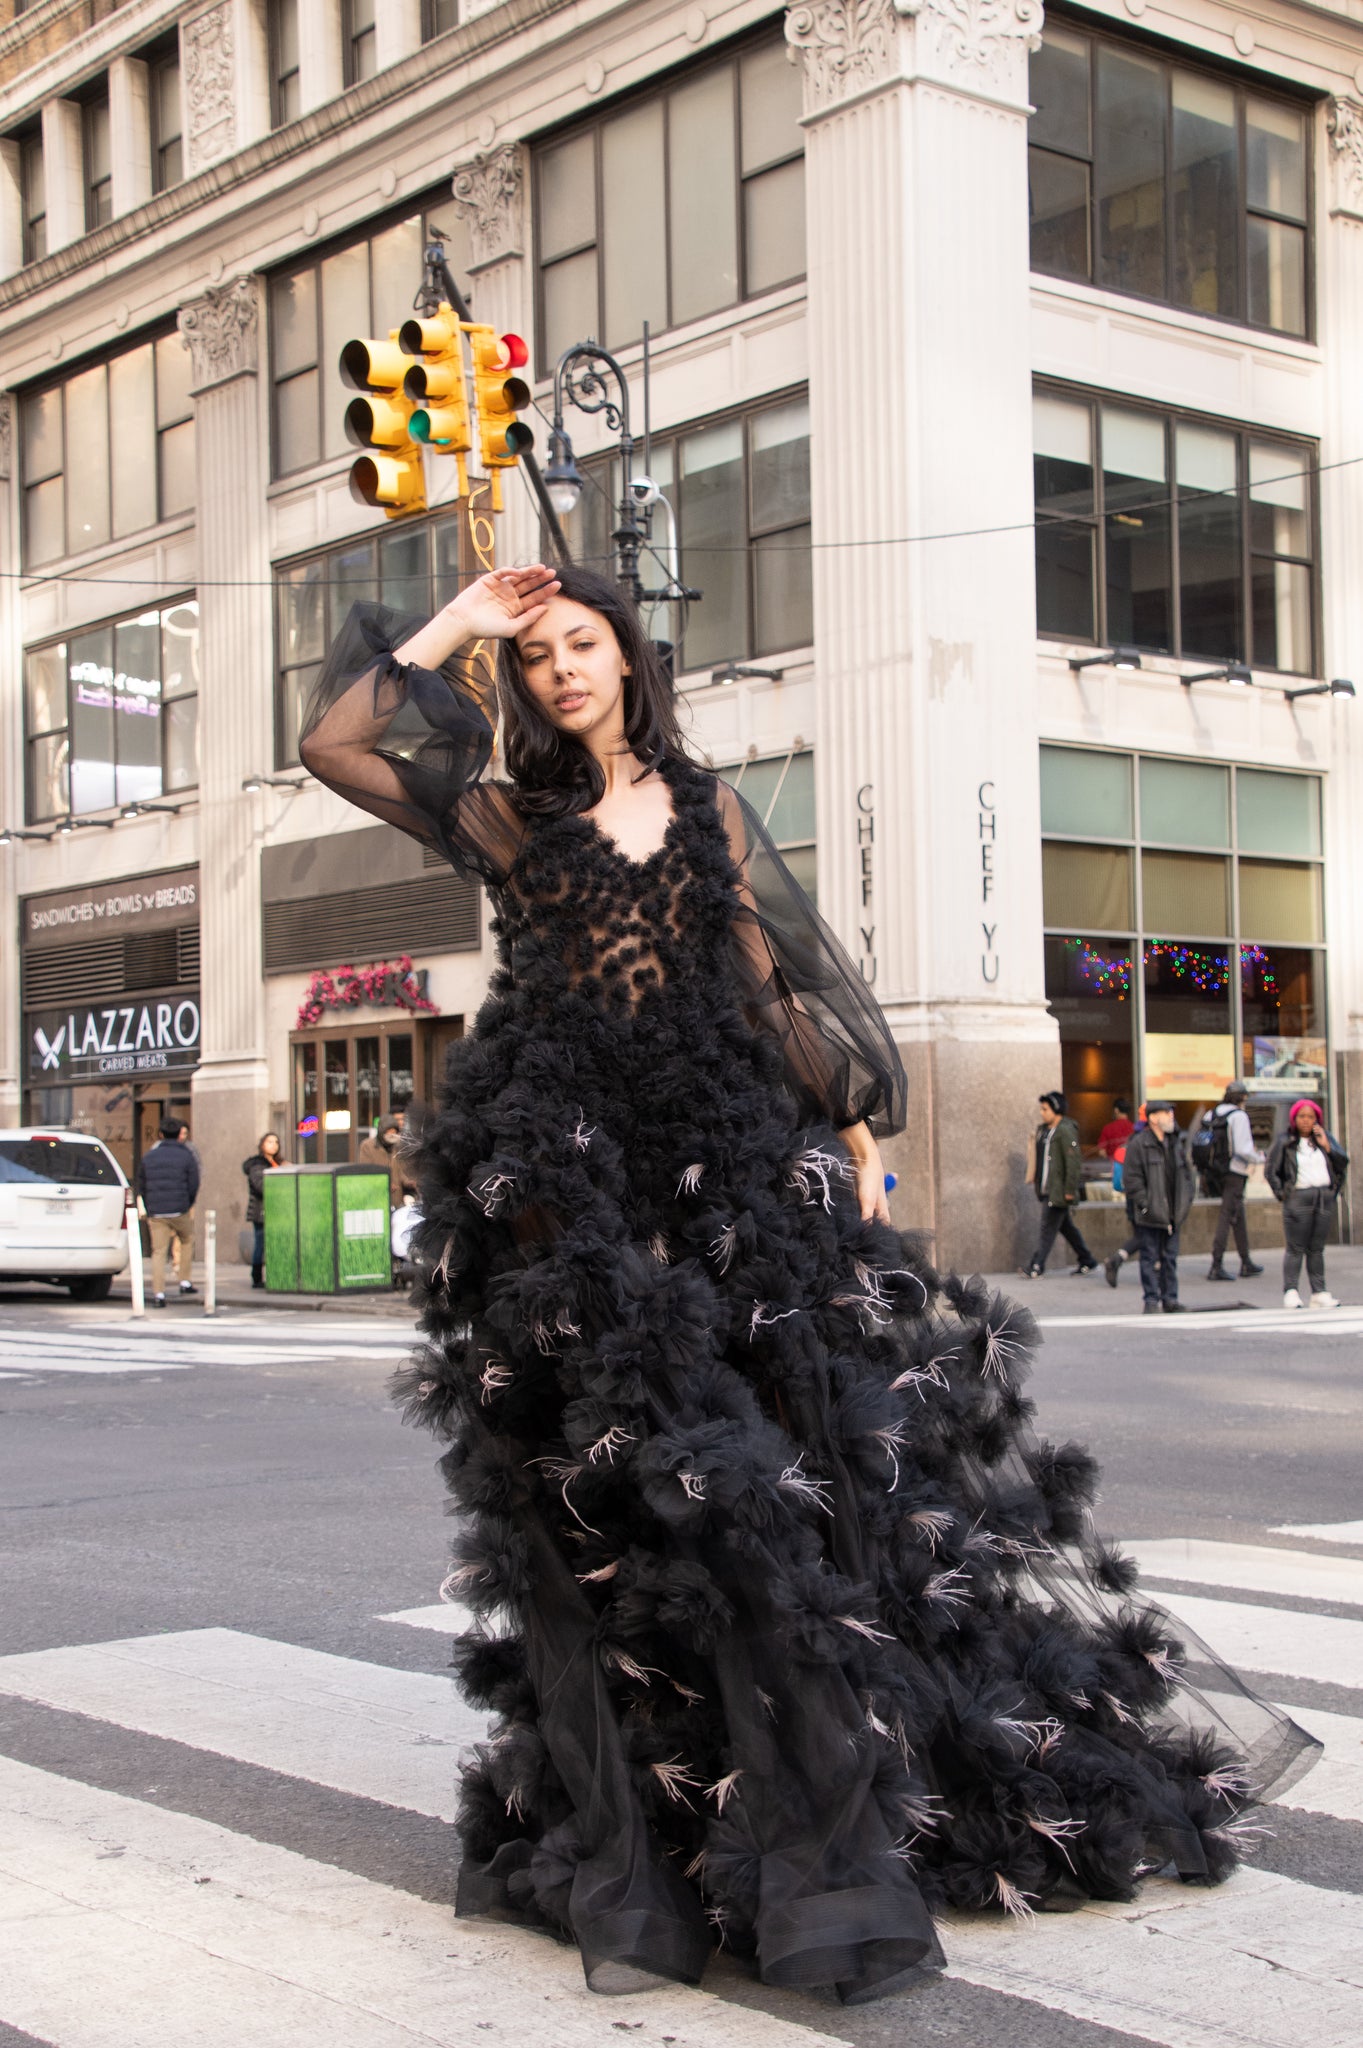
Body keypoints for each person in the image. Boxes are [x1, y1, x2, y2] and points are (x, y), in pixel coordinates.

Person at [299, 563, 1312, 2000]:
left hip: (725, 1164)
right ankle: (662, 1825)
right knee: (615, 1493)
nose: (559, 674)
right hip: (580, 1186)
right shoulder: (509, 818)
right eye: (535, 663)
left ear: (628, 658)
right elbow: (339, 742)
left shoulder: (704, 807)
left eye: (578, 647)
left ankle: (810, 1816)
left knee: (778, 1489)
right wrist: (460, 624)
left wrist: (842, 1132)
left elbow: (767, 977)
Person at [1266, 1099, 1349, 1309]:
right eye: (1302, 1116)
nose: (1306, 1121)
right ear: (1294, 1118)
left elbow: (1342, 1162)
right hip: (1298, 1197)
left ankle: (1318, 1291)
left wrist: (1327, 1146)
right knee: (1296, 1247)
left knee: (1316, 1248)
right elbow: (1271, 1170)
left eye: (1311, 1117)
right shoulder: (1286, 1141)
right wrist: (1282, 1193)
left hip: (1323, 1197)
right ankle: (1291, 1291)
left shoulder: (1324, 1139)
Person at [1121, 1102, 1195, 1314]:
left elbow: (1188, 1176)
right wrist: (1145, 1204)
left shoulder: (1175, 1143)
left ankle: (1170, 1298)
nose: (1171, 1116)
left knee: (1170, 1258)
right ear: (1153, 1118)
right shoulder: (1139, 1144)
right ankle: (1151, 1300)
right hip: (1150, 1213)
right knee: (1149, 1257)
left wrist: (1186, 1201)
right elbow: (1132, 1179)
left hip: (1173, 1211)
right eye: (1165, 1112)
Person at [1021, 1091, 1096, 1276]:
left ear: (1056, 1109)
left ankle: (1036, 1266)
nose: (1042, 1112)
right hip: (1047, 1189)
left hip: (1059, 1191)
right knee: (1066, 1227)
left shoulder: (1065, 1131)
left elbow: (1073, 1163)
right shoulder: (1045, 1132)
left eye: (1045, 1109)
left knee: (1047, 1228)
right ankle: (1087, 1259)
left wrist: (1069, 1190)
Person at [135, 1117, 200, 1307]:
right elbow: (194, 1183)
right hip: (179, 1209)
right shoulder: (186, 1155)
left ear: (161, 1134)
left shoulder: (149, 1156)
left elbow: (141, 1183)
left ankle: (159, 1293)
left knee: (158, 1252)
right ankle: (184, 1280)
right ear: (179, 1134)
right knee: (188, 1239)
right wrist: (187, 1203)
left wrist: (149, 1204)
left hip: (157, 1211)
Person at [1203, 1082, 1264, 1283]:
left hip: (1214, 1172)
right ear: (1242, 1098)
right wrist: (1260, 1158)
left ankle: (1246, 1260)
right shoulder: (1239, 1116)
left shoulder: (1211, 1114)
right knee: (1227, 1215)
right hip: (1234, 1172)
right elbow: (1243, 1149)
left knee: (1237, 1214)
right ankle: (1216, 1264)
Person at [242, 1132, 283, 1289]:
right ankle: (257, 1277)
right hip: (261, 1210)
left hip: (276, 1209)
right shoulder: (258, 1165)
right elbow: (261, 1186)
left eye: (276, 1142)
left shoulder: (276, 1163)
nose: (273, 1145)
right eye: (269, 1142)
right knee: (261, 1243)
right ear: (262, 1145)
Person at [359, 1114, 414, 1205]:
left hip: (397, 1201)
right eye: (389, 1132)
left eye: (394, 1132)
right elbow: (366, 1172)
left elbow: (403, 1171)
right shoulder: (367, 1146)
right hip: (376, 1199)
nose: (392, 1135)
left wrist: (410, 1181)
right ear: (381, 1131)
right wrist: (384, 1183)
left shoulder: (399, 1147)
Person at [1098, 1098, 1135, 1162]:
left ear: (1116, 1110)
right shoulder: (1134, 1128)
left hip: (1113, 1166)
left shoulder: (1108, 1128)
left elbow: (1102, 1152)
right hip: (1131, 1166)